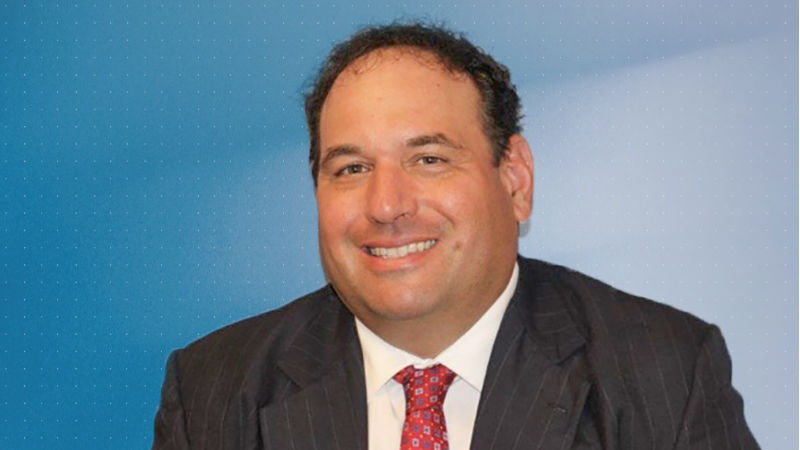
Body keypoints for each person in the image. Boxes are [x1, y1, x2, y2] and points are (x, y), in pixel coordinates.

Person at [152, 23, 759, 450]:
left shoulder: (664, 373)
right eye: (351, 169)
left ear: (514, 179)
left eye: (430, 160)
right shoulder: (215, 388)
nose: (386, 206)